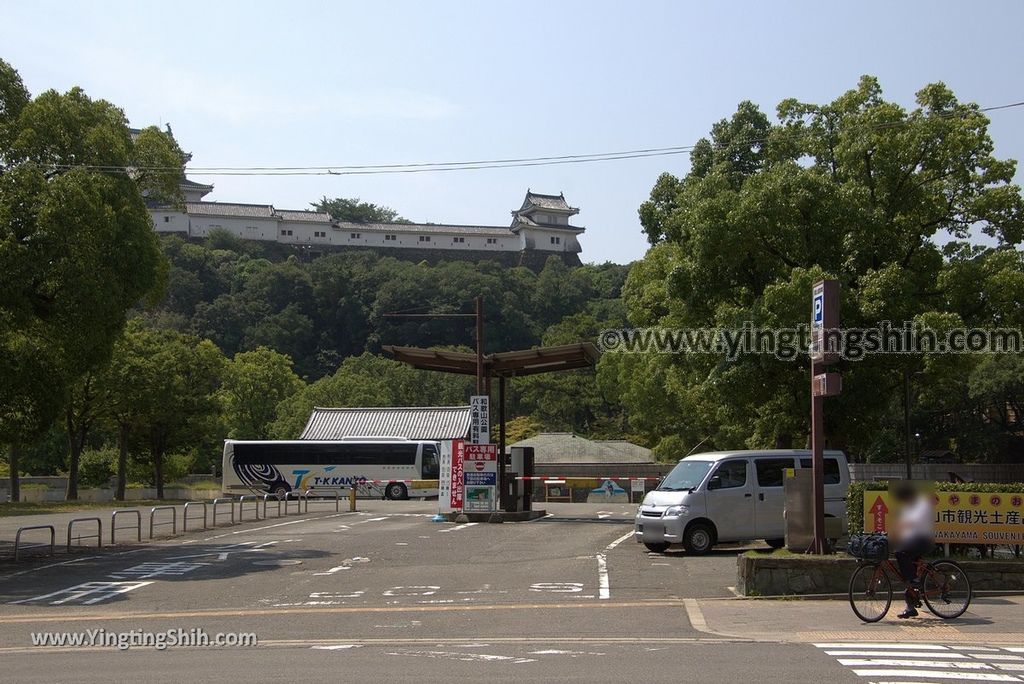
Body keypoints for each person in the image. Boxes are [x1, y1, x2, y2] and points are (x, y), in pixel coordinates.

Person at [891, 481, 935, 619]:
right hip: (911, 540)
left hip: (923, 539)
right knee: (906, 570)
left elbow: (915, 521)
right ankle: (910, 607)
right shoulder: (907, 506)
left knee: (901, 553)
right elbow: (902, 524)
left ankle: (915, 580)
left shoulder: (923, 504)